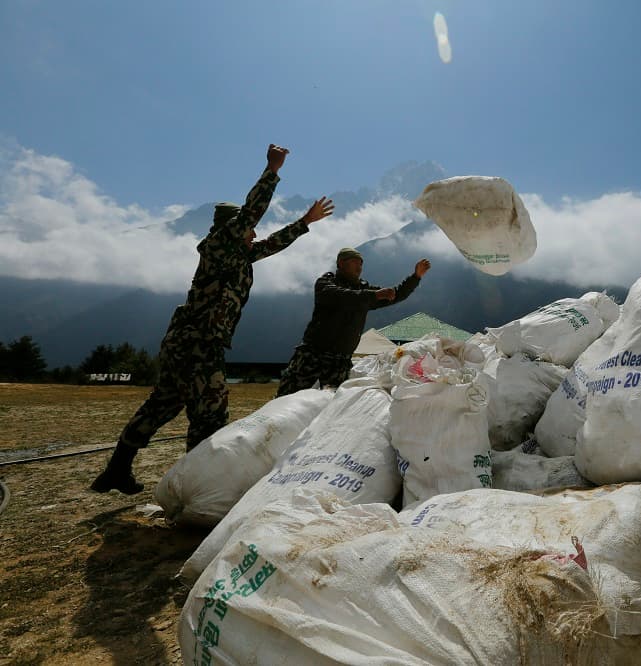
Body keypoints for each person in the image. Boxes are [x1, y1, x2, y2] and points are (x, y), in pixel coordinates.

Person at [91, 144, 336, 495]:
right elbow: (250, 215)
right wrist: (272, 170)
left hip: (185, 343)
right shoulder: (220, 246)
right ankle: (198, 488)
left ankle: (116, 470)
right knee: (210, 416)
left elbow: (271, 243)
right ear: (232, 229)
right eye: (246, 229)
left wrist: (304, 223)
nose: (253, 233)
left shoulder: (237, 256)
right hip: (199, 344)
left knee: (160, 405)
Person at [275, 249, 431, 396]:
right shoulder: (326, 283)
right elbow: (342, 296)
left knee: (331, 405)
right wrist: (373, 296)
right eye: (355, 262)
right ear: (341, 263)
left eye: (361, 263)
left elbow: (395, 295)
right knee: (288, 396)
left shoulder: (365, 291)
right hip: (313, 356)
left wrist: (415, 277)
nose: (359, 266)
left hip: (340, 362)